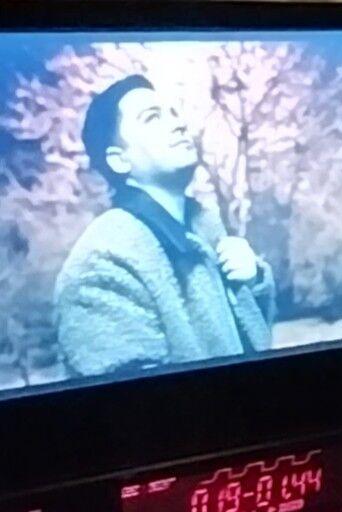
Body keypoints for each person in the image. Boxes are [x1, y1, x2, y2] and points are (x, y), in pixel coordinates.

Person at [54, 74, 274, 381]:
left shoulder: (205, 230)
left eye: (173, 113)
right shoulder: (102, 263)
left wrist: (252, 282)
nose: (179, 124)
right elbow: (136, 404)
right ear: (119, 160)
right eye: (152, 118)